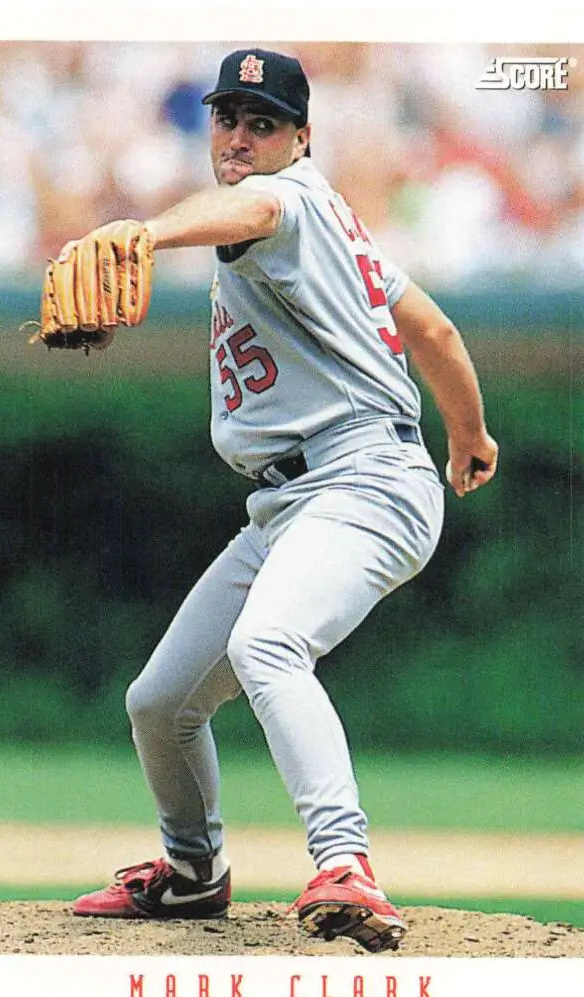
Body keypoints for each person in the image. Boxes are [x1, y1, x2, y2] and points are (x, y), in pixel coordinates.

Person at [70, 48, 498, 951]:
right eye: (227, 117)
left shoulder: (291, 199)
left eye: (262, 123)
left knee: (267, 644)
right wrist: (470, 434)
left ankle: (346, 860)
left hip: (363, 482)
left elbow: (255, 205)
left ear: (301, 138)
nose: (239, 137)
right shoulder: (338, 228)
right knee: (160, 701)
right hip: (294, 502)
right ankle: (193, 875)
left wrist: (144, 233)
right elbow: (433, 327)